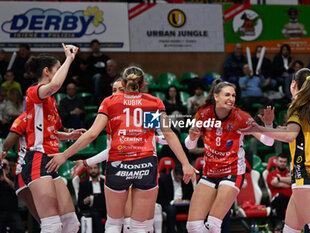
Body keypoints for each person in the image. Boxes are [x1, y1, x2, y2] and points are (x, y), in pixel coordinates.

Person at [46, 65, 197, 232]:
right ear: (144, 82)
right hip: (145, 165)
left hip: (118, 166)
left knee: (114, 223)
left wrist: (64, 155)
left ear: (124, 83)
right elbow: (168, 135)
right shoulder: (153, 102)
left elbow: (91, 135)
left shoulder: (110, 103)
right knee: (140, 226)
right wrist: (185, 163)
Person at [241, 68, 310, 233]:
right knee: (290, 230)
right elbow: (293, 134)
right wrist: (268, 128)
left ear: (293, 84)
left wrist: (258, 128)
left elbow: (289, 135)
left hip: (307, 175)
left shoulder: (298, 107)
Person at [184, 79, 274, 233]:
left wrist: (268, 126)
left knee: (213, 224)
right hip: (209, 173)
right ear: (216, 96)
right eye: (227, 95)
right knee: (192, 227)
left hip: (232, 172)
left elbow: (268, 142)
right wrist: (192, 138)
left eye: (233, 95)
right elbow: (189, 146)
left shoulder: (241, 117)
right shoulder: (203, 114)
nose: (231, 98)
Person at [21, 44, 84, 233]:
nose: (59, 73)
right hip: (37, 160)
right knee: (52, 226)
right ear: (47, 71)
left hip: (51, 160)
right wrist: (69, 59)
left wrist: (69, 135)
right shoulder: (34, 91)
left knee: (72, 224)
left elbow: (52, 131)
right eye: (57, 69)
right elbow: (55, 85)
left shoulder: (51, 100)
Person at [1, 112, 40, 224]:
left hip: (40, 168)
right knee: (45, 220)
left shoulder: (48, 116)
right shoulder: (23, 119)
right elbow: (6, 145)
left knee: (51, 219)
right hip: (24, 172)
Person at [157, 162, 194, 233]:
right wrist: (173, 202)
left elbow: (191, 195)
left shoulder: (186, 179)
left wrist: (186, 201)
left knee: (195, 208)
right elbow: (159, 199)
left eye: (181, 179)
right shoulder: (163, 180)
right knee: (171, 210)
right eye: (178, 178)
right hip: (169, 204)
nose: (180, 180)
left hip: (184, 205)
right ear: (174, 173)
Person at [266, 153, 292, 230]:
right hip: (277, 199)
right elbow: (274, 184)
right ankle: (281, 221)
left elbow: (294, 180)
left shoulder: (290, 173)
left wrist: (279, 179)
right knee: (280, 197)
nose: (282, 163)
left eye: (284, 162)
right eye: (280, 161)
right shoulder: (271, 174)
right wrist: (288, 183)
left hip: (291, 199)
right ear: (276, 162)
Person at [78, 164, 106, 233]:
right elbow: (79, 204)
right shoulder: (83, 184)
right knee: (96, 214)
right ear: (88, 170)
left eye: (95, 168)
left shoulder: (104, 183)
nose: (93, 170)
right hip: (91, 209)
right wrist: (85, 201)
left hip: (105, 209)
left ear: (99, 169)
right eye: (91, 168)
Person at [0, 158, 26, 233]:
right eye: (2, 165)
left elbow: (16, 188)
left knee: (20, 230)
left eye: (6, 165)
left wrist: (5, 177)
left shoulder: (13, 177)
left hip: (13, 211)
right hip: (1, 211)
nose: (5, 167)